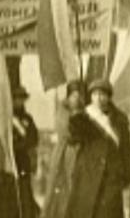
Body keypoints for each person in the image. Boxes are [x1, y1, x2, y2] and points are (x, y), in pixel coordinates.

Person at [67, 79, 130, 218]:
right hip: (88, 174)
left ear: (109, 97)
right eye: (94, 94)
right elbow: (73, 138)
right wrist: (76, 115)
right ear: (90, 97)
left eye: (102, 94)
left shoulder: (120, 119)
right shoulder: (85, 116)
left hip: (111, 176)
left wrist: (126, 176)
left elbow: (125, 150)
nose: (98, 99)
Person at [42, 82, 86, 218]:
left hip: (81, 152)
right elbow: (67, 132)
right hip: (65, 152)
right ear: (68, 96)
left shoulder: (85, 111)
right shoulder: (63, 110)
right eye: (73, 95)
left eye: (80, 95)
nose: (77, 99)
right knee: (62, 188)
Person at [12, 85, 41, 218]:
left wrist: (22, 144)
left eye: (21, 99)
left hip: (23, 161)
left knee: (25, 193)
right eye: (16, 98)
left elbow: (34, 138)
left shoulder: (28, 119)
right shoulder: (6, 118)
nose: (19, 102)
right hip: (10, 161)